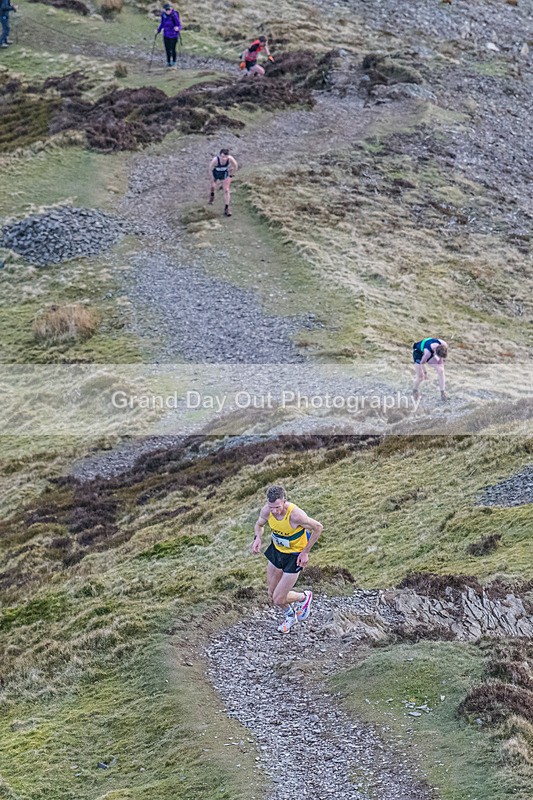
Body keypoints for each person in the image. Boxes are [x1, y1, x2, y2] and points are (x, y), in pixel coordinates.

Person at [252, 485, 323, 634]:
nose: (274, 511)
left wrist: (305, 552)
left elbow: (318, 527)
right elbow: (259, 524)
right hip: (277, 551)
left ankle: (304, 597)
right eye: (271, 507)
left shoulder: (296, 515)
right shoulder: (266, 511)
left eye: (277, 507)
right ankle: (290, 615)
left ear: (284, 501)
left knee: (278, 598)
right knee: (271, 593)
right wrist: (257, 538)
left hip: (294, 556)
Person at [208, 148, 238, 217]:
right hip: (216, 173)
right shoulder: (215, 160)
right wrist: (212, 178)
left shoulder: (230, 158)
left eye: (225, 157)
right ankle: (212, 195)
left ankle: (226, 208)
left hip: (224, 174)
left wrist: (231, 174)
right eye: (222, 157)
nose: (224, 158)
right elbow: (210, 169)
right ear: (220, 155)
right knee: (213, 186)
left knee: (226, 190)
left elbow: (236, 165)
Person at [157, 2, 181, 68]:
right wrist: (158, 30)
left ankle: (174, 62)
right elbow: (162, 23)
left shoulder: (174, 15)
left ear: (171, 9)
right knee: (167, 49)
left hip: (173, 35)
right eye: (167, 10)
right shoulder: (163, 15)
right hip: (166, 35)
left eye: (169, 9)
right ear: (164, 10)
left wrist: (177, 28)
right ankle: (168, 62)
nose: (168, 11)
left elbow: (179, 25)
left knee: (172, 49)